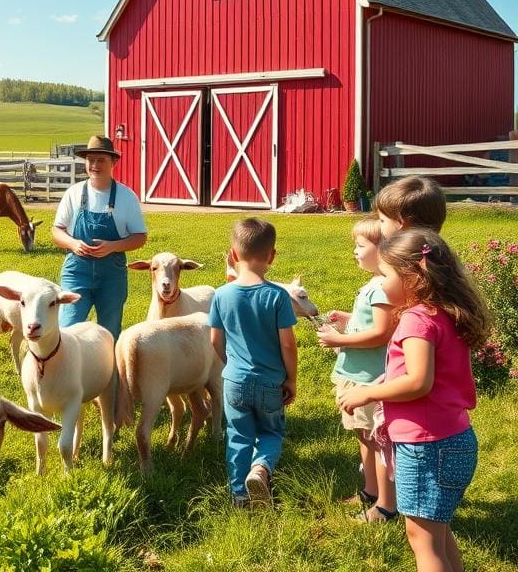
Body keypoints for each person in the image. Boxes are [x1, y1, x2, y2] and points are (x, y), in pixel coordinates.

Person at [339, 229, 490, 572]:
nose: (381, 283)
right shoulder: (443, 313)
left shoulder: (416, 320)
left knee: (422, 539)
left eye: (385, 275)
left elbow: (419, 381)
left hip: (427, 447)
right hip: (454, 440)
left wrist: (367, 391)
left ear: (413, 277)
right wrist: (384, 381)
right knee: (437, 533)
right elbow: (427, 373)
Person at [207, 218, 297, 509]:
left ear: (233, 254)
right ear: (272, 256)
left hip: (234, 381)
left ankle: (239, 496)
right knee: (271, 432)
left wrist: (230, 363)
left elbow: (215, 340)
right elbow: (288, 344)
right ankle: (260, 469)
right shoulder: (277, 296)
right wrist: (291, 379)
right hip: (271, 382)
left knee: (238, 435)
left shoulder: (221, 294)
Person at [316, 217, 397, 522]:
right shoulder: (374, 284)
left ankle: (386, 506)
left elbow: (382, 333)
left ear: (383, 250)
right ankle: (371, 491)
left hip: (370, 378)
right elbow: (371, 323)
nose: (355, 251)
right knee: (364, 435)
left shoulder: (383, 288)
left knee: (377, 440)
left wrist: (339, 339)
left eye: (361, 246)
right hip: (356, 375)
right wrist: (347, 319)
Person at [51, 135, 146, 341]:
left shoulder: (127, 197)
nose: (94, 165)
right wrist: (73, 244)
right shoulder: (73, 193)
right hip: (77, 273)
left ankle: (110, 363)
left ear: (113, 162)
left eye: (101, 160)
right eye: (90, 160)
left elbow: (140, 237)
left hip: (112, 276)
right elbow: (57, 230)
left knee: (109, 334)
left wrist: (113, 246)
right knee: (67, 330)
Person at [375, 176, 446, 237]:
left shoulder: (400, 249)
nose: (378, 225)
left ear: (400, 222)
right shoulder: (437, 248)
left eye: (382, 220)